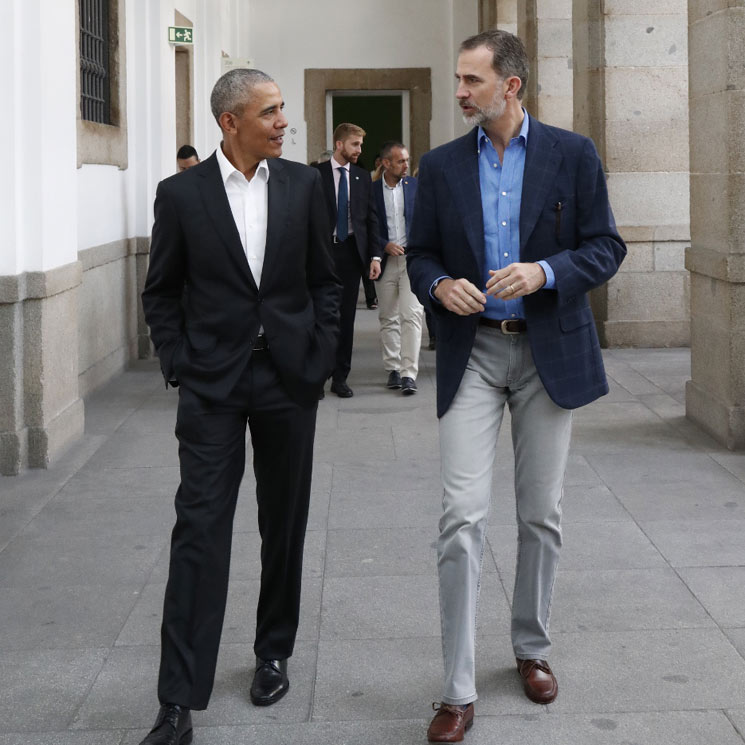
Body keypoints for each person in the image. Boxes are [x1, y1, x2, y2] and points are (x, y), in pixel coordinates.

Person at [406, 30, 626, 743]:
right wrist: (438, 284)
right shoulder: (438, 168)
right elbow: (421, 254)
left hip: (546, 355)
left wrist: (545, 272)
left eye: (471, 80)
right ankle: (456, 687)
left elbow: (605, 245)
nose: (460, 91)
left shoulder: (572, 154)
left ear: (511, 86)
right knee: (460, 516)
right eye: (459, 79)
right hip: (472, 356)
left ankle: (530, 647)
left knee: (540, 514)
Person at [139, 68, 341, 745]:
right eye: (270, 112)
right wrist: (179, 364)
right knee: (198, 531)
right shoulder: (182, 195)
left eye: (283, 109)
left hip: (287, 381)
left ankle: (272, 649)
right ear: (230, 122)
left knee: (282, 524)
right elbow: (160, 291)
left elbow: (324, 279)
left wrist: (318, 355)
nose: (284, 121)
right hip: (213, 387)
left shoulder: (304, 186)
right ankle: (176, 700)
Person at [315, 123, 381, 397]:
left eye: (361, 145)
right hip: (322, 254)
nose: (359, 150)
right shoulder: (315, 175)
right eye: (355, 145)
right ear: (340, 144)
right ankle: (317, 376)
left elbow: (371, 219)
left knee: (346, 319)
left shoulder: (362, 177)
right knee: (320, 318)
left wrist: (374, 256)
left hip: (351, 254)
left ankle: (340, 377)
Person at [372, 141, 422, 395]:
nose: (406, 165)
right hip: (384, 261)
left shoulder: (416, 187)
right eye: (401, 161)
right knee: (388, 316)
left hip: (412, 261)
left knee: (411, 315)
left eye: (407, 160)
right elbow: (365, 226)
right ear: (386, 163)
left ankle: (408, 373)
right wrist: (383, 246)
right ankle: (392, 367)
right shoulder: (370, 191)